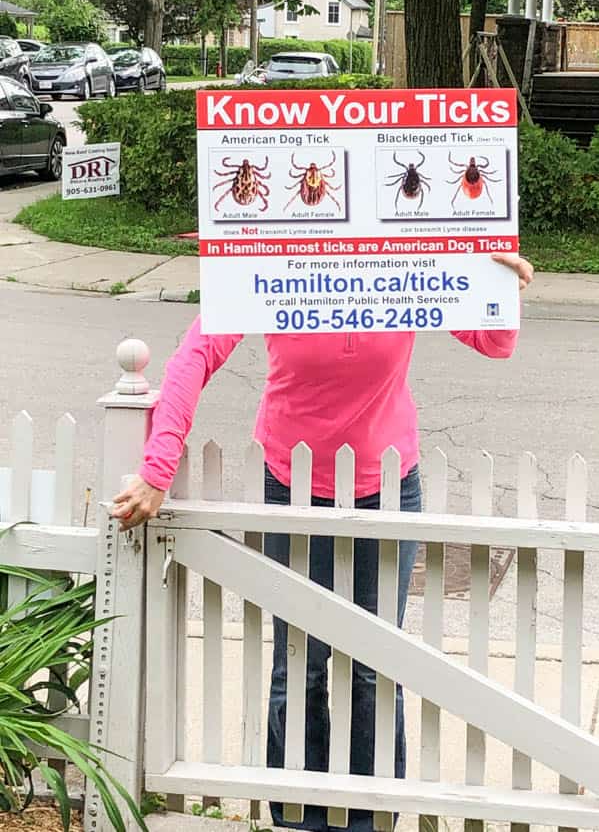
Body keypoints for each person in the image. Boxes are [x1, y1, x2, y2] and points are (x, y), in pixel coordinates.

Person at [112, 251, 534, 832]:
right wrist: (158, 467)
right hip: (293, 482)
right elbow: (195, 356)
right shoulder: (274, 256)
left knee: (373, 664)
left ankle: (370, 819)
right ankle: (296, 818)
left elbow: (492, 340)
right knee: (301, 662)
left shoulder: (400, 259)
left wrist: (500, 282)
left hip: (386, 485)